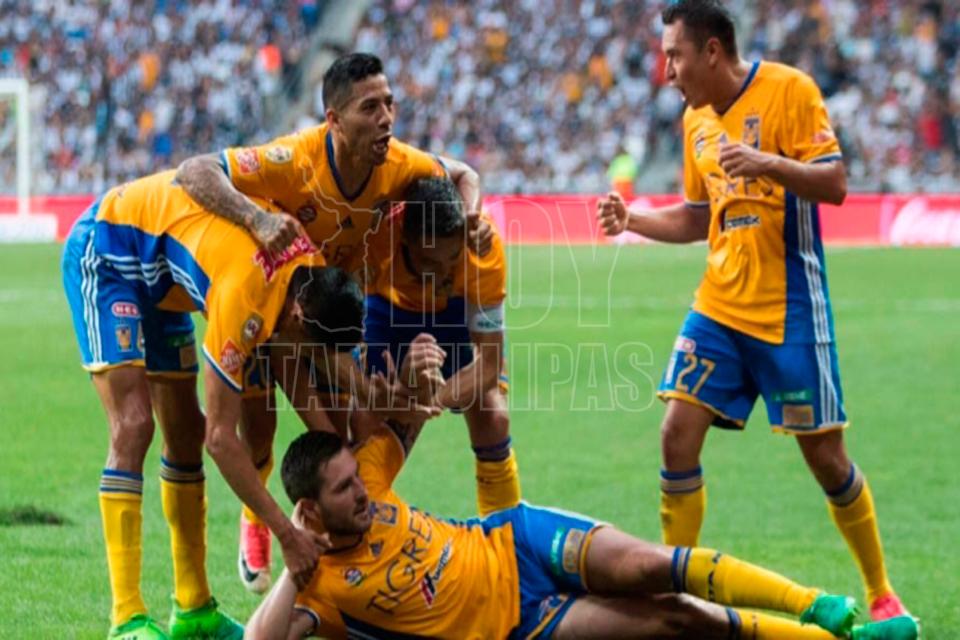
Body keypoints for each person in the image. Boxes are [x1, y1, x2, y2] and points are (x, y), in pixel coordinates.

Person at [597, 0, 907, 621]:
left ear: (712, 51)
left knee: (826, 458)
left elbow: (836, 183)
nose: (667, 71)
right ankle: (677, 594)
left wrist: (766, 163)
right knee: (676, 435)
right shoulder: (694, 122)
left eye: (675, 56)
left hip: (790, 309)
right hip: (718, 307)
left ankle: (881, 593)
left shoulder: (790, 90)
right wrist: (633, 221)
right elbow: (697, 217)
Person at [174, 52, 492, 594]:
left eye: (390, 104)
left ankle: (350, 557)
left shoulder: (398, 161)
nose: (386, 118)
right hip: (269, 306)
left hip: (337, 316)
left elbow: (465, 175)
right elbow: (193, 171)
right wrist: (255, 218)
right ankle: (258, 519)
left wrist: (469, 219)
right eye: (370, 107)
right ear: (334, 120)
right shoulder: (294, 159)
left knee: (345, 434)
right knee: (260, 430)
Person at [245, 401, 919, 639]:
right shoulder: (321, 588)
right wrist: (293, 558)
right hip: (521, 625)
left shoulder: (372, 476)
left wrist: (421, 378)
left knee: (655, 566)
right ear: (311, 509)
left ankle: (820, 606)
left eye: (357, 478)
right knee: (674, 620)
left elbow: (414, 412)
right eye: (345, 491)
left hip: (518, 541)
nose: (362, 493)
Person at [61, 170, 365, 639]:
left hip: (164, 287)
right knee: (135, 425)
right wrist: (287, 534)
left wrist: (340, 455)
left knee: (183, 436)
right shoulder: (245, 295)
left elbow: (288, 355)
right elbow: (221, 440)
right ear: (300, 315)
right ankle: (125, 619)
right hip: (109, 252)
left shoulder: (309, 272)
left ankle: (193, 610)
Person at [361, 177, 516, 517]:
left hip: (454, 315)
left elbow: (489, 366)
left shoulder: (481, 250)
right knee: (361, 424)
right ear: (404, 239)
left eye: (453, 258)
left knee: (494, 417)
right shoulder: (376, 238)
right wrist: (394, 397)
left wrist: (428, 402)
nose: (443, 274)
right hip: (387, 310)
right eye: (429, 262)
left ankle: (505, 535)